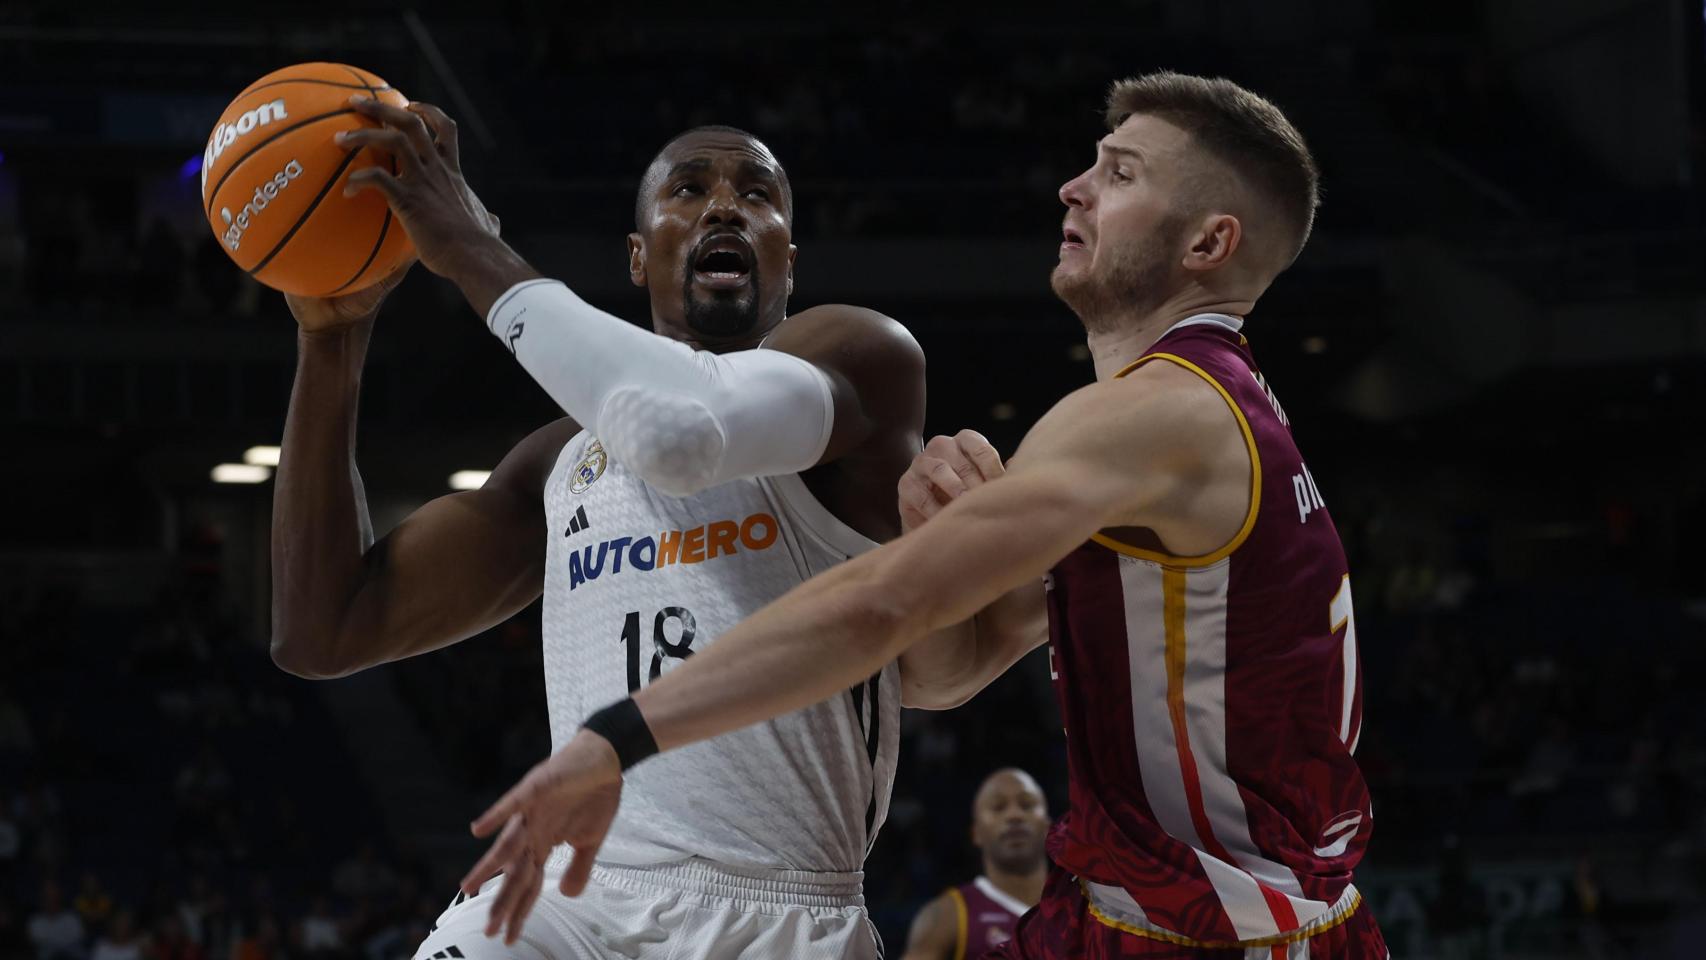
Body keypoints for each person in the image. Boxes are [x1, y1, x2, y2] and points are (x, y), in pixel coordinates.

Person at [464, 71, 1390, 960]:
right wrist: (932, 534)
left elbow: (880, 607)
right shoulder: (1196, 420)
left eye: (1119, 173)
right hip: (1144, 915)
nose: (1072, 187)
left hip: (1222, 933)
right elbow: (943, 672)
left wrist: (615, 738)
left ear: (1207, 245)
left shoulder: (1161, 416)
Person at [272, 97, 932, 959]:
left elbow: (684, 432)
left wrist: (469, 244)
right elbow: (324, 628)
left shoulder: (861, 362)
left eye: (757, 195)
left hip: (776, 909)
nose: (726, 206)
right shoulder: (558, 464)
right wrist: (334, 335)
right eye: (688, 189)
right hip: (572, 897)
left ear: (789, 262)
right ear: (636, 255)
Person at [901, 769, 1049, 960]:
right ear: (976, 833)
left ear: (1047, 826)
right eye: (998, 807)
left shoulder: (1086, 906)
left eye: (1026, 805)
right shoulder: (947, 916)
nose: (1014, 815)